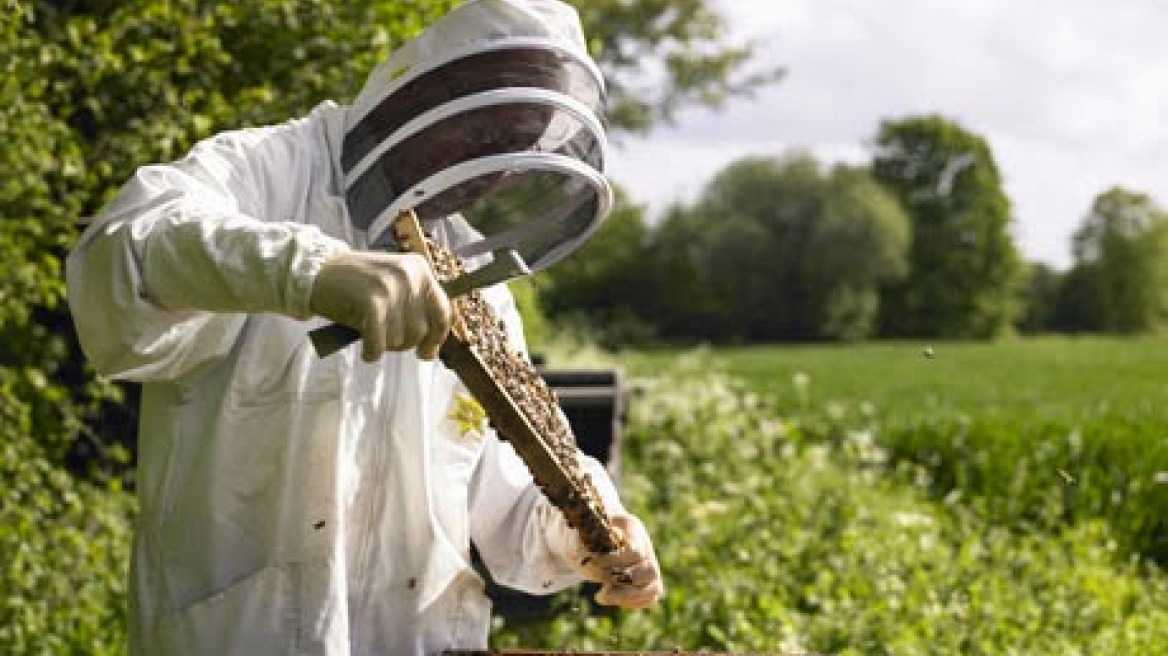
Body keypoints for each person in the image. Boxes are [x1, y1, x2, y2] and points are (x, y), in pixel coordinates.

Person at [65, 1, 662, 654]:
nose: (493, 174)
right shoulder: (263, 172)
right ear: (433, 93)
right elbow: (123, 253)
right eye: (489, 135)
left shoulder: (472, 275)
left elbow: (506, 500)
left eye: (516, 150)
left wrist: (586, 529)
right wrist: (312, 270)